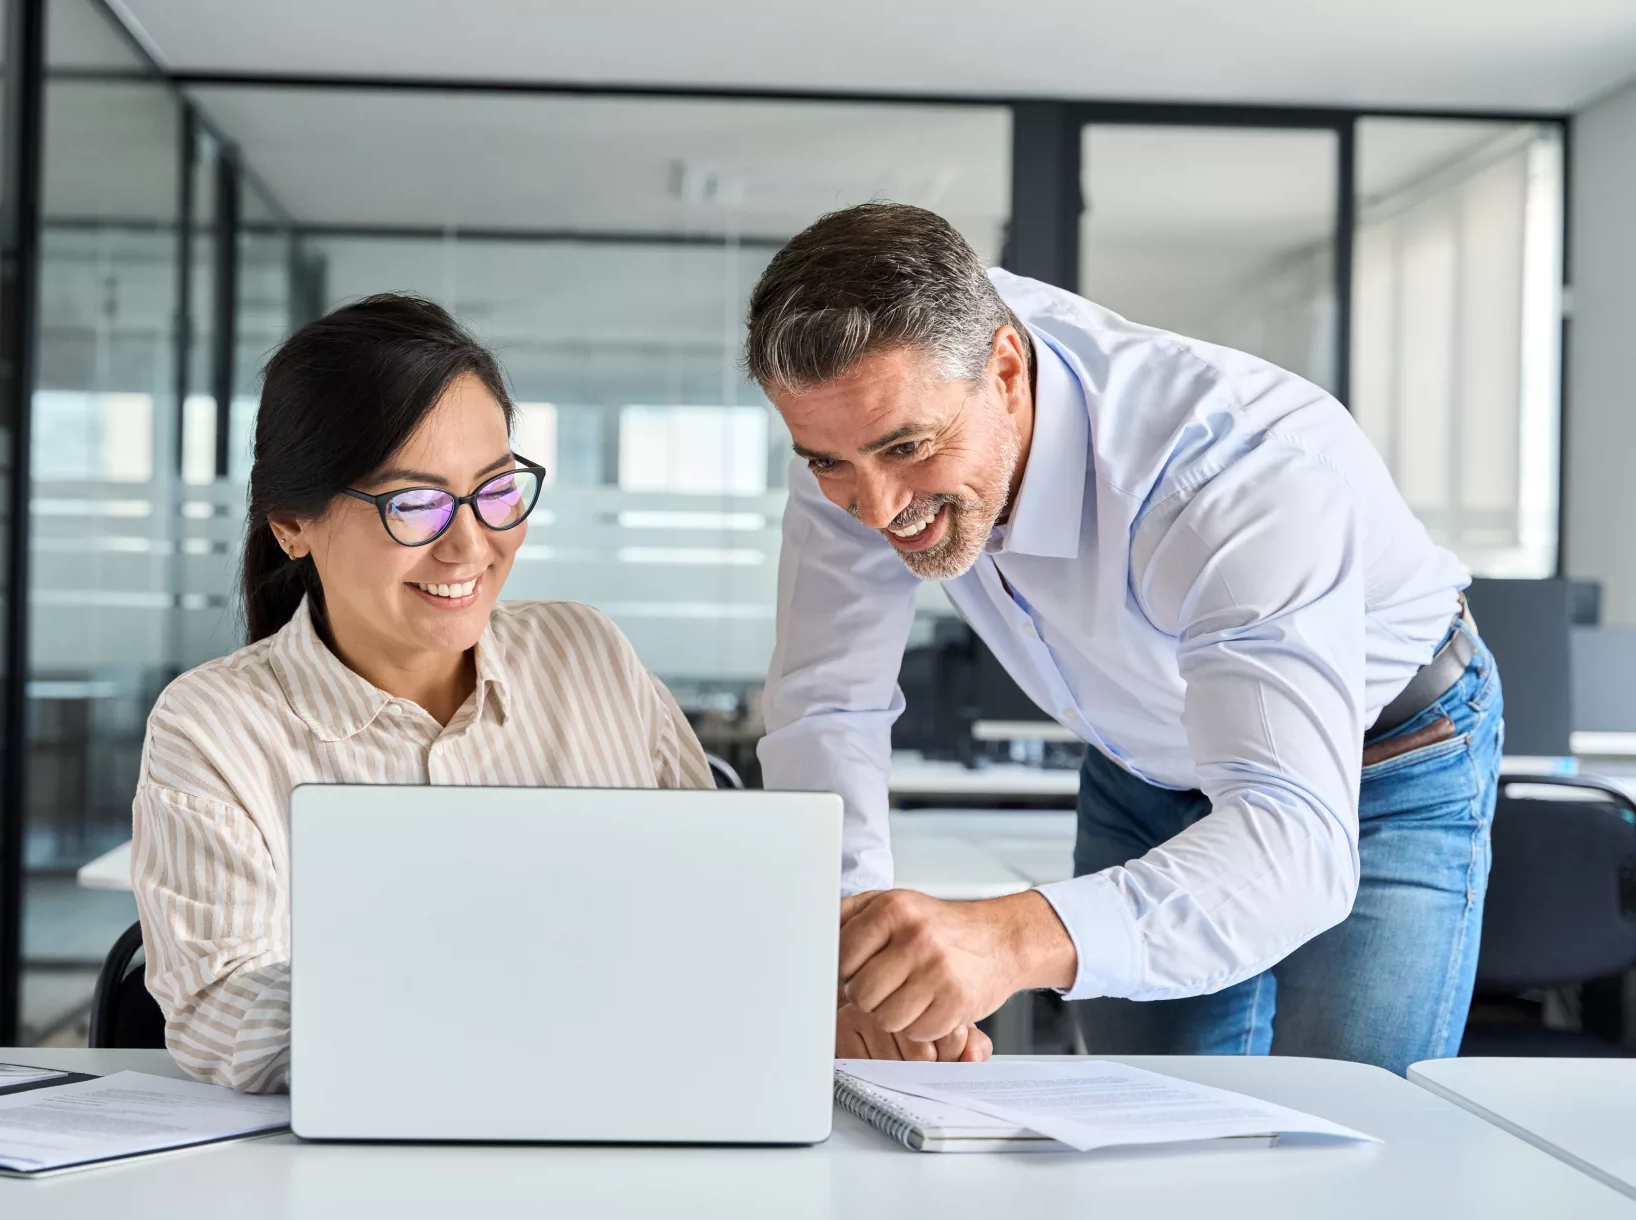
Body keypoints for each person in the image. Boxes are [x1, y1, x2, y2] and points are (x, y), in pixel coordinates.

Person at [751, 203, 1503, 1074]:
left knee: (1351, 1111)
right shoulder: (860, 411)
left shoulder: (1234, 474)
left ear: (1004, 370)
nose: (876, 508)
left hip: (1385, 760)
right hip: (1141, 759)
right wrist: (860, 955)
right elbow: (827, 703)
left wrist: (1007, 938)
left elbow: (1291, 844)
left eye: (910, 449)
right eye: (827, 464)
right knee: (1148, 1115)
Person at [132, 294, 712, 1092]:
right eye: (414, 503)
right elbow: (223, 1011)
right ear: (291, 524)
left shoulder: (590, 657)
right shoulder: (216, 727)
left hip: (617, 1115)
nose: (471, 544)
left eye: (497, 489)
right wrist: (521, 1007)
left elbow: (717, 910)